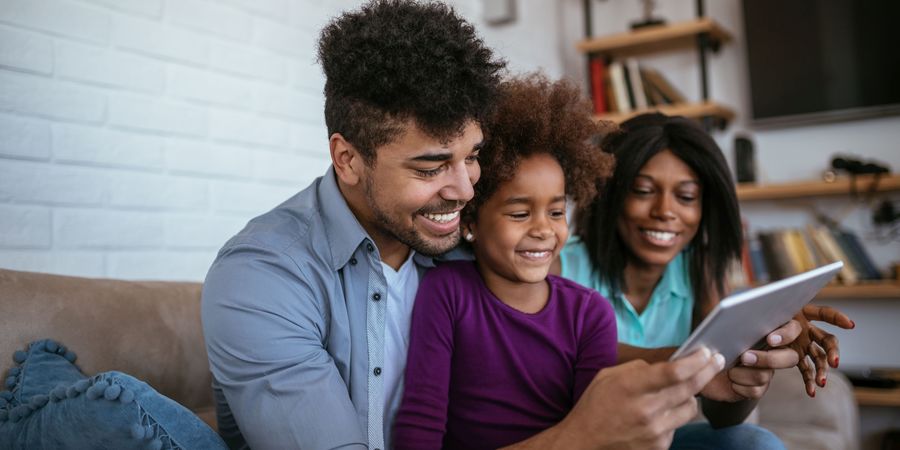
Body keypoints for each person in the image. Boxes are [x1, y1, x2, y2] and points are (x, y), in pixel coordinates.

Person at [201, 2, 794, 450]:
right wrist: (578, 438)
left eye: (474, 156)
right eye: (432, 166)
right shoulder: (263, 277)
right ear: (347, 158)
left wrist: (708, 361)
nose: (464, 189)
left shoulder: (459, 244)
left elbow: (559, 343)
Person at [557, 113, 855, 431]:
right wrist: (690, 362)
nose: (664, 212)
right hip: (584, 435)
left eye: (686, 197)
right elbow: (570, 357)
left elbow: (722, 416)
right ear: (609, 194)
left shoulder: (701, 271)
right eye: (642, 191)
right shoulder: (559, 267)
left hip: (664, 437)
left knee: (754, 442)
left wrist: (751, 361)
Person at [392, 75, 619, 449]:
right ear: (470, 222)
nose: (544, 230)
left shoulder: (590, 314)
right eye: (519, 214)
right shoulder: (446, 292)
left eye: (557, 212)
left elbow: (594, 434)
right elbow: (421, 421)